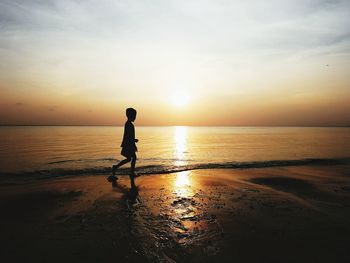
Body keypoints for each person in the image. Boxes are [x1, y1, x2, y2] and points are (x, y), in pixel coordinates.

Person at [107, 108, 138, 188]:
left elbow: (129, 136)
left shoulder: (129, 124)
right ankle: (131, 172)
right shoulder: (129, 124)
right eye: (134, 116)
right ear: (130, 116)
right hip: (128, 144)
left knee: (130, 158)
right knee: (133, 158)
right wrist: (133, 141)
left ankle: (116, 167)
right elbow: (128, 136)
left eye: (135, 116)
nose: (135, 117)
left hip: (129, 144)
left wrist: (133, 140)